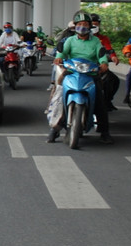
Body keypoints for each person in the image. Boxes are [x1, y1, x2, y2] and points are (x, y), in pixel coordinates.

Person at [48, 11, 112, 146]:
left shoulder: (95, 41)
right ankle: (55, 129)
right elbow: (62, 51)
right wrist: (59, 57)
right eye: (79, 24)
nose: (82, 26)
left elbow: (101, 54)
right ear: (75, 26)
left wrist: (104, 62)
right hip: (71, 72)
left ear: (90, 27)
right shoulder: (70, 40)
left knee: (100, 101)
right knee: (59, 96)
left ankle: (104, 132)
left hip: (91, 74)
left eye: (85, 24)